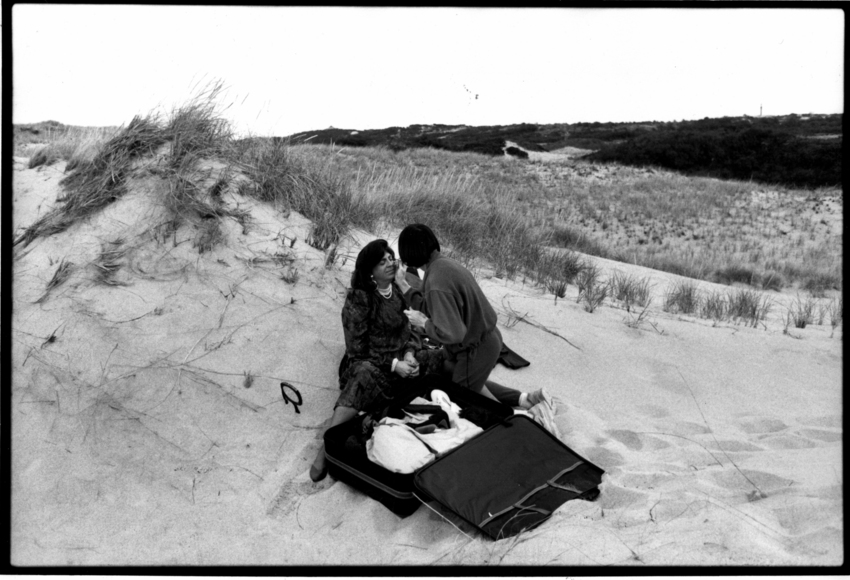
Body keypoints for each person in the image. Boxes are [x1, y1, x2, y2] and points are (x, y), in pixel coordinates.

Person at [310, 239, 446, 482]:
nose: (390, 264)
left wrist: (410, 354)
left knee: (437, 357)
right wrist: (395, 365)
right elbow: (356, 350)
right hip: (374, 367)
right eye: (381, 262)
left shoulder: (399, 293)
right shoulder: (359, 299)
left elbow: (411, 331)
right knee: (362, 374)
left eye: (391, 258)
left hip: (403, 363)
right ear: (370, 271)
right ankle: (326, 447)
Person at [395, 223, 548, 408]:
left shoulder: (436, 280)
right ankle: (523, 399)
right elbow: (438, 307)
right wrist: (405, 286)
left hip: (474, 349)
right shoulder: (443, 265)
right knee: (467, 380)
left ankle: (514, 419)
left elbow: (453, 333)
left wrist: (425, 323)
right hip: (485, 342)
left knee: (462, 402)